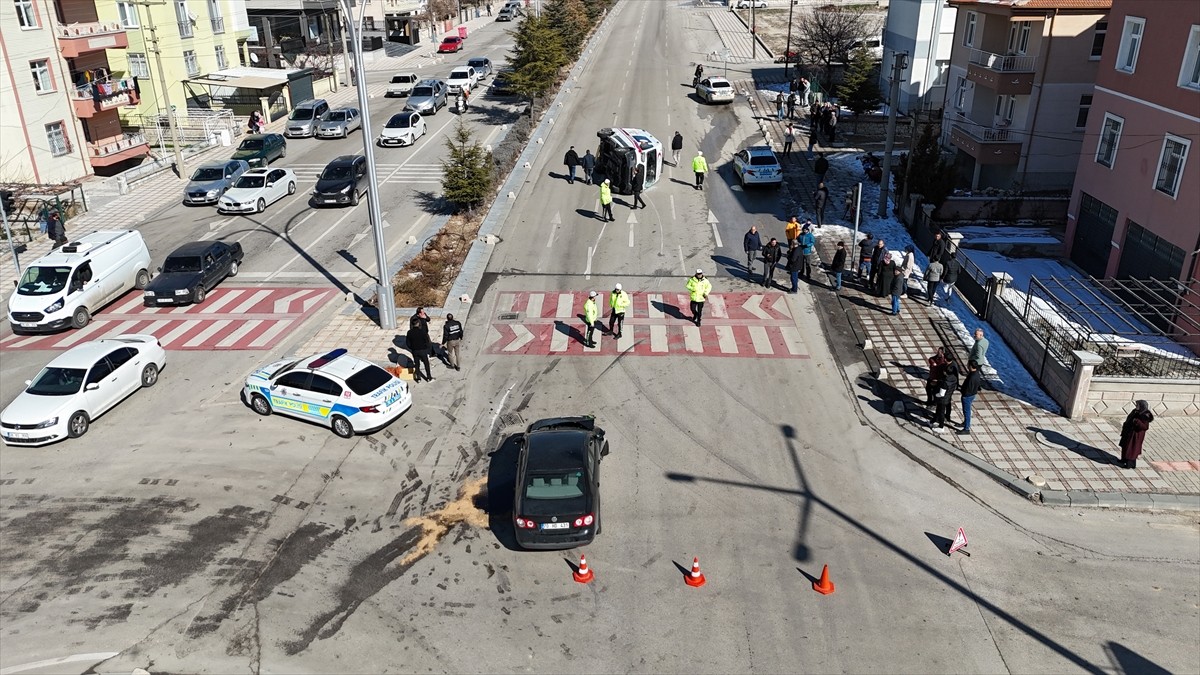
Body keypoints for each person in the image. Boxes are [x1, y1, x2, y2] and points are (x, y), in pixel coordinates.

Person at [1118, 400, 1153, 469]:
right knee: (1125, 446)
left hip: (1135, 436)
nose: (1136, 406)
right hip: (1128, 433)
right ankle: (1124, 459)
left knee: (1131, 450)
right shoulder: (1135, 411)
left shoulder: (1144, 415)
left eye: (1137, 405)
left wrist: (1137, 421)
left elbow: (1145, 427)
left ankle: (1129, 465)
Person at [931, 354, 959, 431]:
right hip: (948, 395)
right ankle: (935, 420)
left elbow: (941, 394)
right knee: (940, 411)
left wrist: (935, 395)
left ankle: (941, 426)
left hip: (943, 399)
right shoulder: (953, 377)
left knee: (941, 412)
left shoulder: (945, 382)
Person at [407, 312, 434, 382]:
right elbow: (427, 341)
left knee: (417, 364)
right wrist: (427, 348)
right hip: (423, 350)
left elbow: (408, 343)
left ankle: (418, 378)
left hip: (415, 351)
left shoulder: (409, 332)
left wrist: (412, 348)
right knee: (426, 364)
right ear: (418, 324)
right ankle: (428, 377)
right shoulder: (422, 332)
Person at [959, 360, 982, 435]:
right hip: (972, 394)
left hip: (967, 396)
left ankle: (966, 428)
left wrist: (963, 393)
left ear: (970, 366)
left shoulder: (972, 377)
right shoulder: (976, 374)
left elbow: (968, 388)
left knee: (967, 411)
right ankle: (965, 423)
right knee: (967, 411)